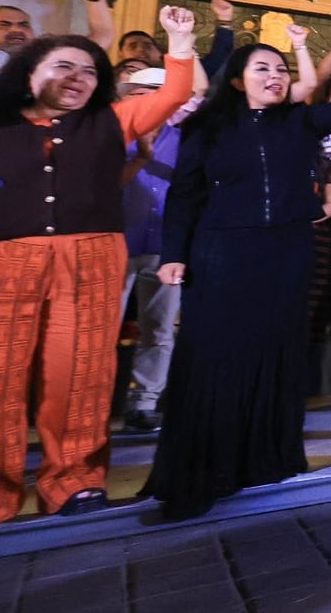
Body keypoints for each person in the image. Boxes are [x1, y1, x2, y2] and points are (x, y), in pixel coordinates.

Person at [0, 8, 196, 535]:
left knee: (81, 375)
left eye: (89, 72)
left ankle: (75, 481)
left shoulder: (111, 121)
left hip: (88, 264)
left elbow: (173, 94)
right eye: (64, 67)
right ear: (28, 74)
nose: (78, 79)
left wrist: (180, 38)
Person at [141, 35, 331, 519]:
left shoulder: (300, 121)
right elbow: (185, 195)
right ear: (238, 80)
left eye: (280, 69)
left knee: (274, 351)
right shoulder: (207, 127)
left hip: (285, 252)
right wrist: (174, 253)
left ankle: (264, 459)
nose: (275, 76)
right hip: (220, 253)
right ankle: (199, 473)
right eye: (262, 69)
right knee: (213, 356)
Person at [117, 67, 201, 434]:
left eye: (150, 92)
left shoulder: (185, 141)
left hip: (164, 248)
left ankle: (145, 401)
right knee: (100, 328)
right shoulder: (110, 135)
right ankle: (94, 398)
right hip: (113, 244)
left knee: (159, 328)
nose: (142, 99)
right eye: (136, 92)